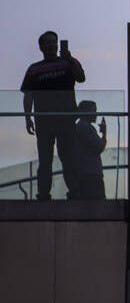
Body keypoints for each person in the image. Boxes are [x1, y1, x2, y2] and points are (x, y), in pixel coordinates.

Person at [20, 30, 86, 200]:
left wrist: (70, 59)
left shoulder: (68, 63)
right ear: (41, 47)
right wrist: (27, 117)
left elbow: (81, 78)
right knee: (45, 160)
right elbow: (28, 95)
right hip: (44, 121)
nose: (51, 45)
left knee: (69, 158)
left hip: (66, 120)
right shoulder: (34, 69)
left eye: (53, 42)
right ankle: (43, 194)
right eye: (47, 42)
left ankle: (75, 192)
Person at [72, 100, 107, 201]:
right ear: (87, 112)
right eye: (94, 111)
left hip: (84, 173)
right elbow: (100, 147)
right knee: (98, 205)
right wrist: (104, 134)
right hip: (91, 174)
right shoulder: (86, 127)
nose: (96, 114)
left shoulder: (79, 126)